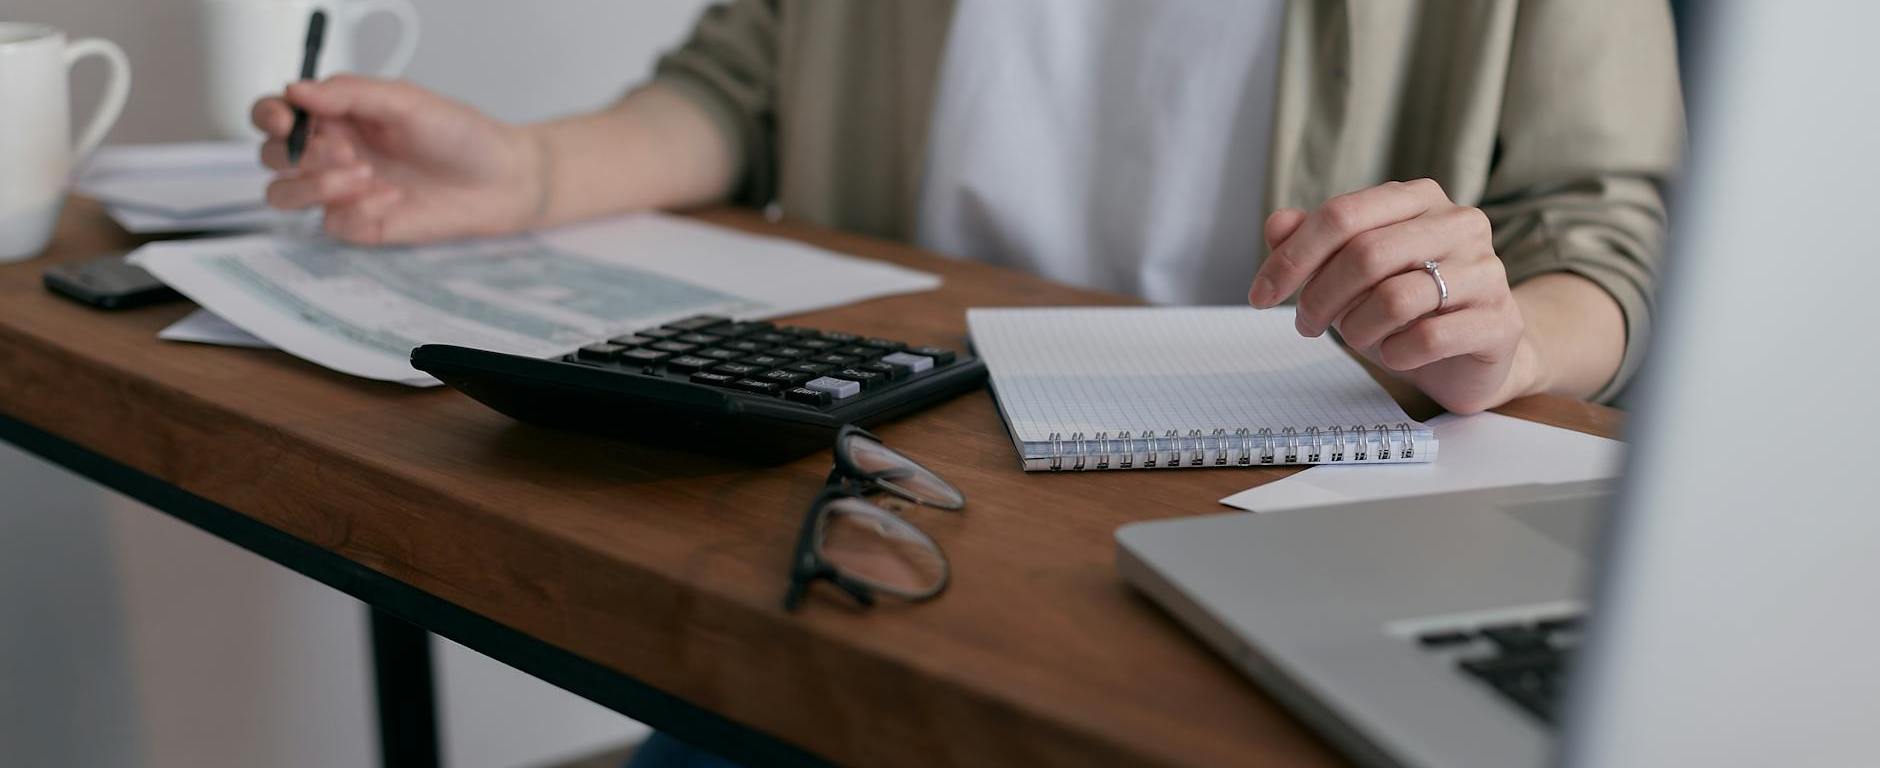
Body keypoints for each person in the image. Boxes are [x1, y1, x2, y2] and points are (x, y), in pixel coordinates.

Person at [252, 0, 1678, 756]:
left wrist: (1509, 341)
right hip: (884, 503)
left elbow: (1607, 237)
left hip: (1272, 527)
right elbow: (744, 85)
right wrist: (525, 170)